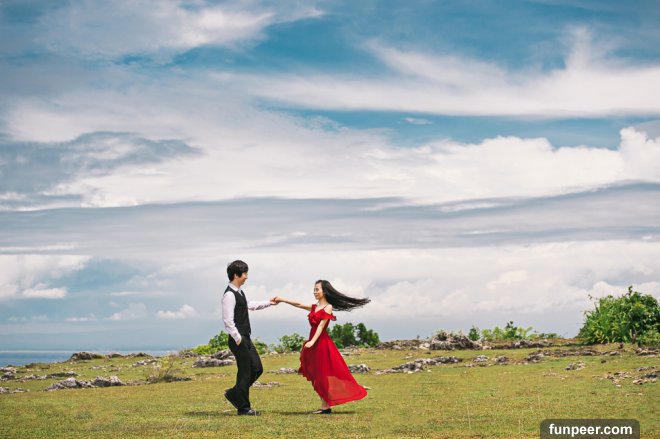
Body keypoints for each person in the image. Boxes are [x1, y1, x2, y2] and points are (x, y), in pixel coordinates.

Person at [273, 280, 369, 414]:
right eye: (314, 289)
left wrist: (312, 341)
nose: (315, 292)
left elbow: (321, 326)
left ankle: (328, 405)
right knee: (317, 374)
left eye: (317, 289)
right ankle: (325, 405)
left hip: (321, 343)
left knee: (324, 374)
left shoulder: (328, 307)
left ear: (325, 291)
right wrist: (282, 299)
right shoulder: (314, 307)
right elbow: (299, 304)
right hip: (313, 343)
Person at [222, 260, 277, 416]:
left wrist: (269, 303)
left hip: (245, 337)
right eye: (245, 273)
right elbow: (228, 321)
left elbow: (251, 305)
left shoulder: (239, 292)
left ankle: (234, 393)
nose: (246, 277)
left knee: (257, 368)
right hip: (239, 339)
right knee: (245, 372)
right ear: (236, 275)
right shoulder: (229, 295)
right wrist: (238, 338)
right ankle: (244, 408)